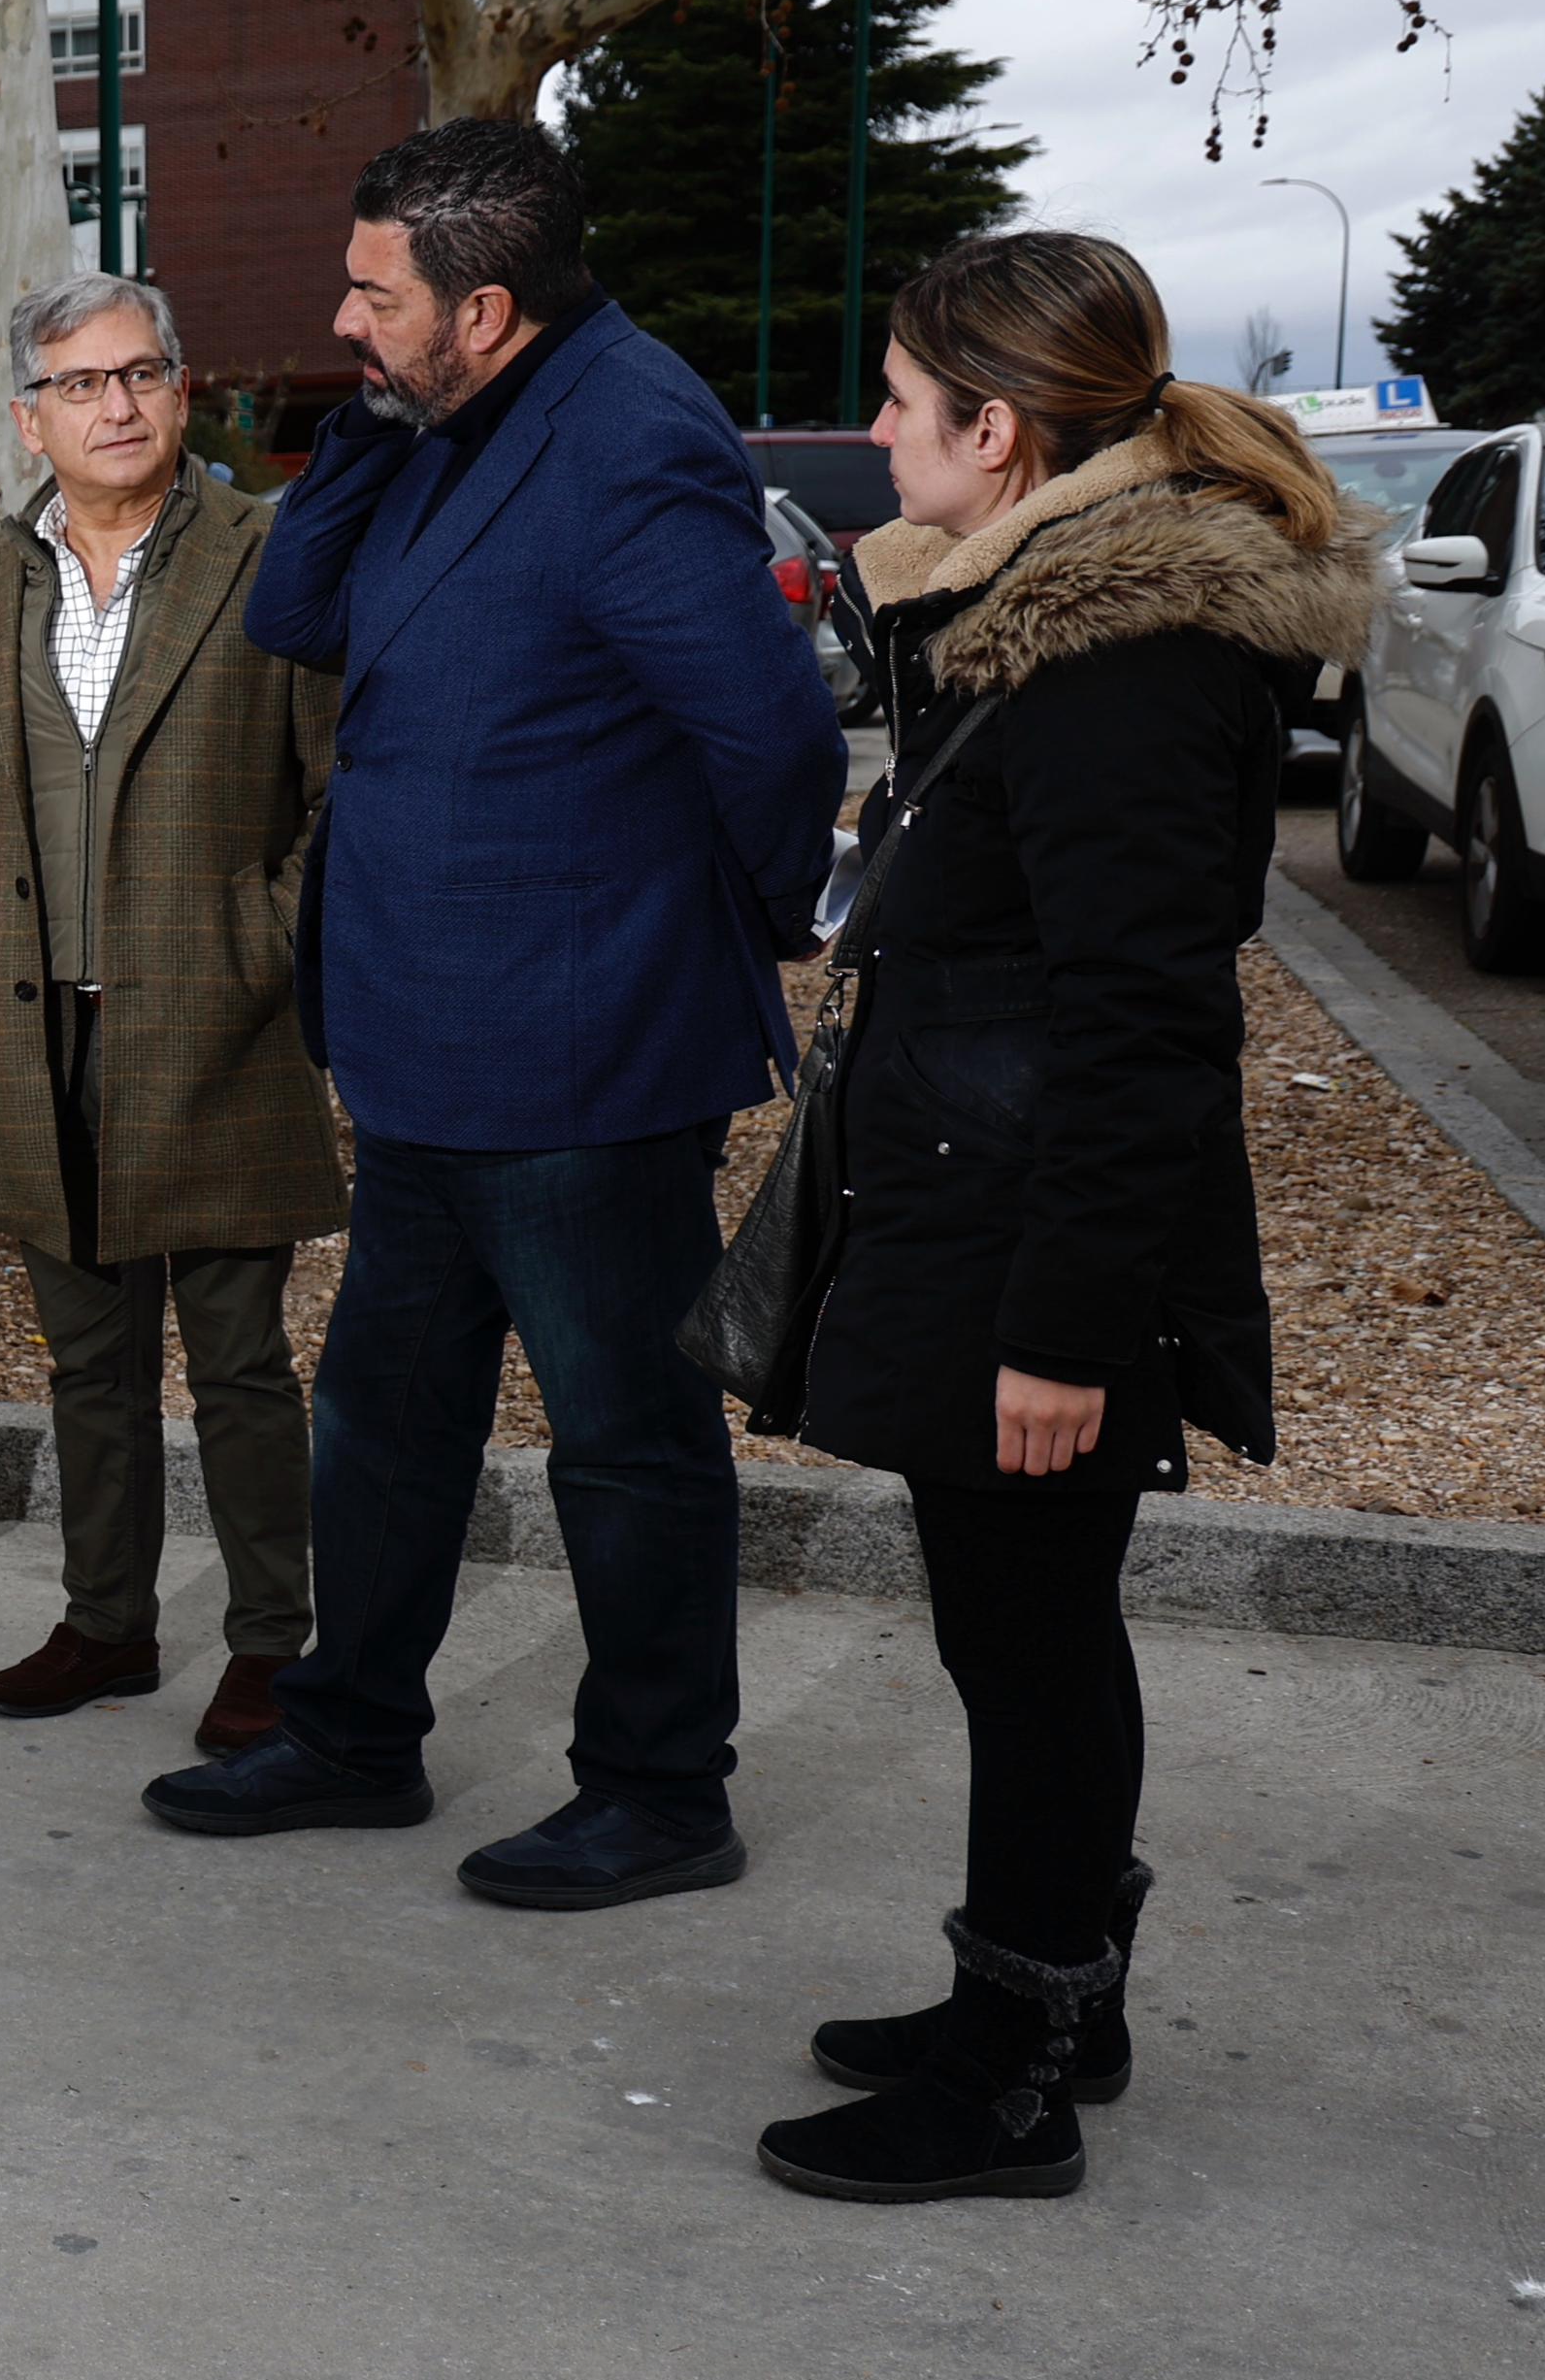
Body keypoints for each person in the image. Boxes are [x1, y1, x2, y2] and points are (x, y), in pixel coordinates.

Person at [140, 116, 843, 1902]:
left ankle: (663, 1791)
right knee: (386, 1418)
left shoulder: (632, 438)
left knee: (623, 1442)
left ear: (490, 307)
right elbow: (295, 612)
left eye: (375, 297)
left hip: (588, 1055)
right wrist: (373, 413)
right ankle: (353, 1735)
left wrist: (734, 932)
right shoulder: (448, 415)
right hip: (426, 1040)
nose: (343, 318)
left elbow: (774, 740)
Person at [750, 235, 1369, 2201]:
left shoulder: (1119, 658)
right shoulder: (1034, 614)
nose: (875, 433)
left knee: (1028, 1653)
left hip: (1027, 1242)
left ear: (998, 432)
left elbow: (1145, 1024)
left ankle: (1008, 2075)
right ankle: (1049, 1998)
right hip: (975, 1201)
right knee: (1015, 1631)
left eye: (897, 402)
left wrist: (1061, 1332)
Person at [0, 271, 340, 1753]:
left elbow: (343, 791)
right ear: (32, 418)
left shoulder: (271, 561)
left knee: (241, 1366)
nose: (117, 404)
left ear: (182, 390)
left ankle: (271, 1644)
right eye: (81, 383)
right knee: (89, 1365)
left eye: (141, 373)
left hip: (217, 1033)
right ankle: (108, 1623)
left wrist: (254, 950)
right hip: (39, 1040)